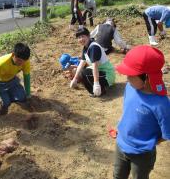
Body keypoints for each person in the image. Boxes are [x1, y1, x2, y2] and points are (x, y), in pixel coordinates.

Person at [113, 45, 170, 179]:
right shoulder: (130, 87)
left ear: (147, 78)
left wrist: (147, 142)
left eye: (130, 75)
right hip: (121, 145)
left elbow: (166, 133)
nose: (127, 78)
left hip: (142, 155)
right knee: (117, 175)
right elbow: (128, 111)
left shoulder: (161, 104)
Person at [69, 27, 115, 96]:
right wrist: (75, 79)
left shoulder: (93, 47)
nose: (81, 39)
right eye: (78, 37)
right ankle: (96, 86)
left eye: (82, 36)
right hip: (101, 72)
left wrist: (96, 84)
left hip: (107, 75)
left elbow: (95, 66)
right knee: (82, 70)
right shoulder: (86, 47)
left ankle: (100, 91)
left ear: (88, 36)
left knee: (85, 73)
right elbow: (82, 63)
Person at [0, 43, 31, 115]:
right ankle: (4, 97)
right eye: (19, 60)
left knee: (22, 98)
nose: (21, 63)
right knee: (5, 104)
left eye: (23, 61)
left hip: (12, 81)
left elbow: (27, 77)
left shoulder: (25, 62)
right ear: (13, 54)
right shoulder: (0, 64)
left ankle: (9, 95)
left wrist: (28, 93)